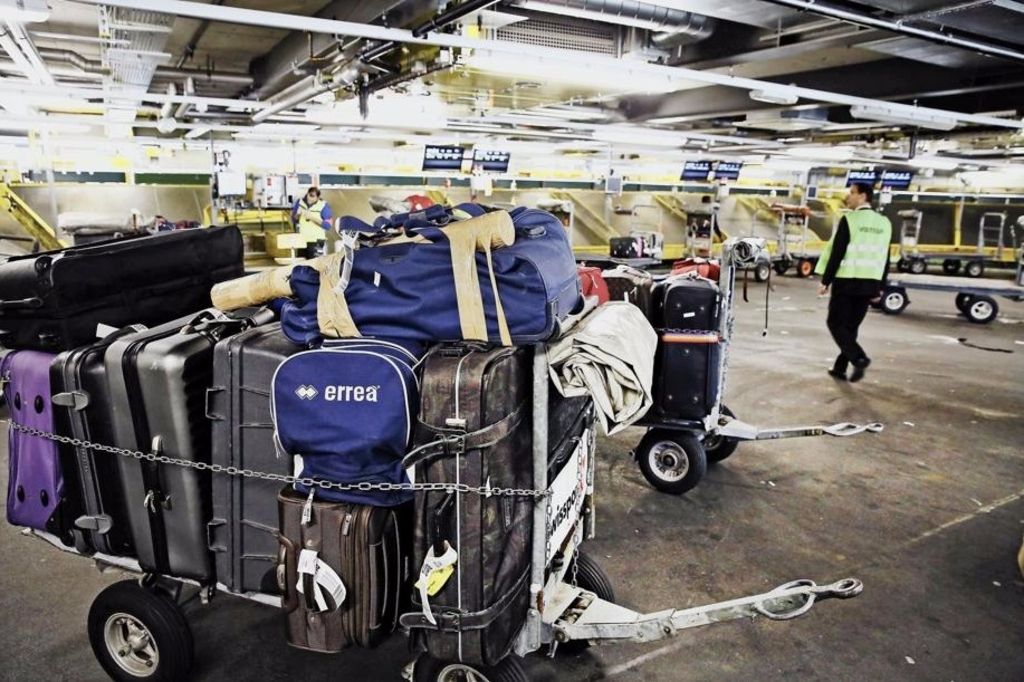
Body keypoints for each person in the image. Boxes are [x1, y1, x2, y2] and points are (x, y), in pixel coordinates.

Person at [814, 182, 892, 383]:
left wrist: (826, 280)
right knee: (850, 327)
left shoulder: (850, 220)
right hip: (870, 282)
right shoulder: (884, 223)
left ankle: (859, 358)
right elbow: (885, 257)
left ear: (863, 196)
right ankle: (840, 367)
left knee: (835, 323)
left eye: (852, 193)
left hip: (847, 280)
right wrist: (881, 287)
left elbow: (837, 252)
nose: (848, 197)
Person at [291, 186, 332, 259]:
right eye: (309, 195)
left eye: (313, 196)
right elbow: (294, 220)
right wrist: (297, 215)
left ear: (317, 197)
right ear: (307, 194)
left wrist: (312, 217)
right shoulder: (300, 203)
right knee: (301, 264)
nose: (310, 198)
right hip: (302, 241)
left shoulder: (323, 205)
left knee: (315, 264)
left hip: (316, 241)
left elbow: (328, 225)